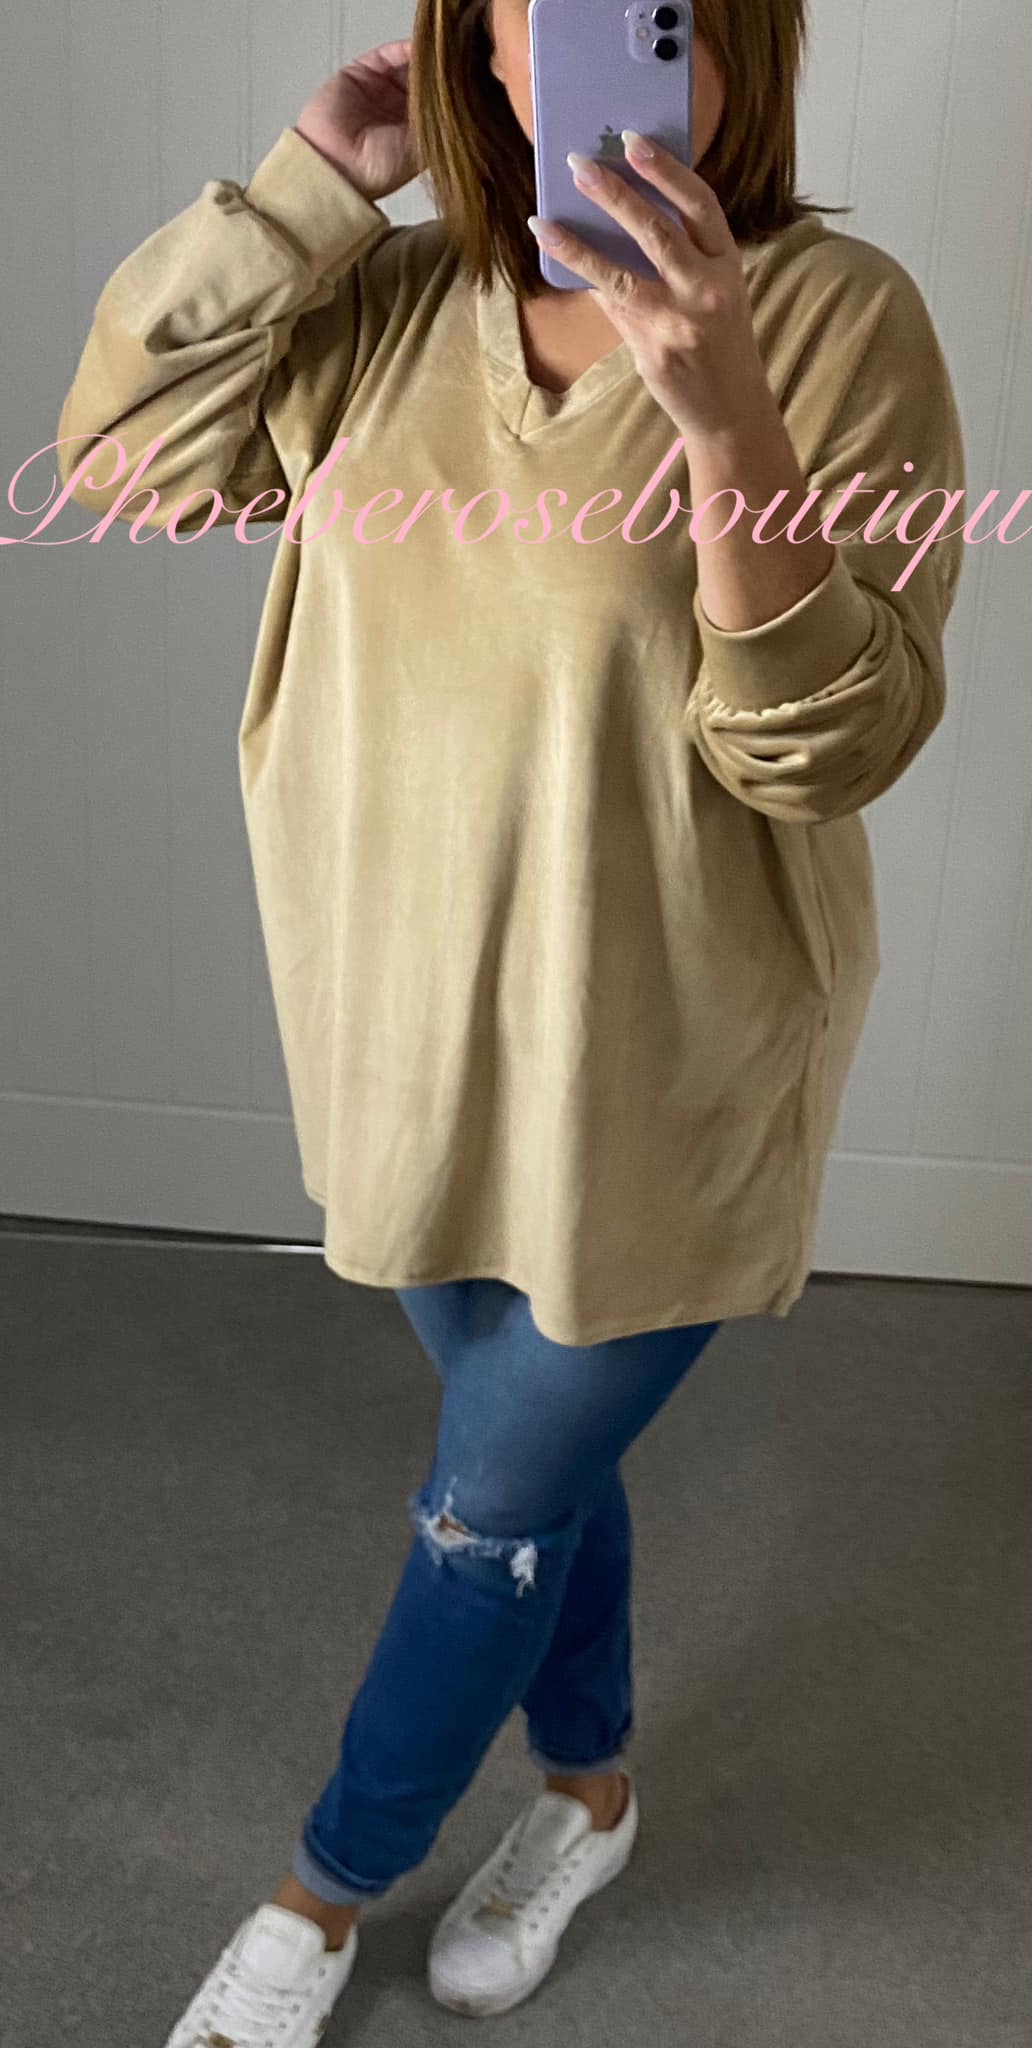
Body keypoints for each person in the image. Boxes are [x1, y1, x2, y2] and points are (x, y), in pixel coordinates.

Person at [55, 0, 966, 2041]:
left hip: (672, 1066)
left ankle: (317, 1898)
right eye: (554, 4)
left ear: (741, 43)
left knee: (483, 1513)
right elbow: (119, 468)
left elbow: (829, 748)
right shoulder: (384, 309)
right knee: (539, 1470)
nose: (615, 45)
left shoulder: (842, 320)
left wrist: (722, 413)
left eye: (669, 9)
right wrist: (311, 186)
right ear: (480, 45)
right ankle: (594, 1790)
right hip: (401, 1036)